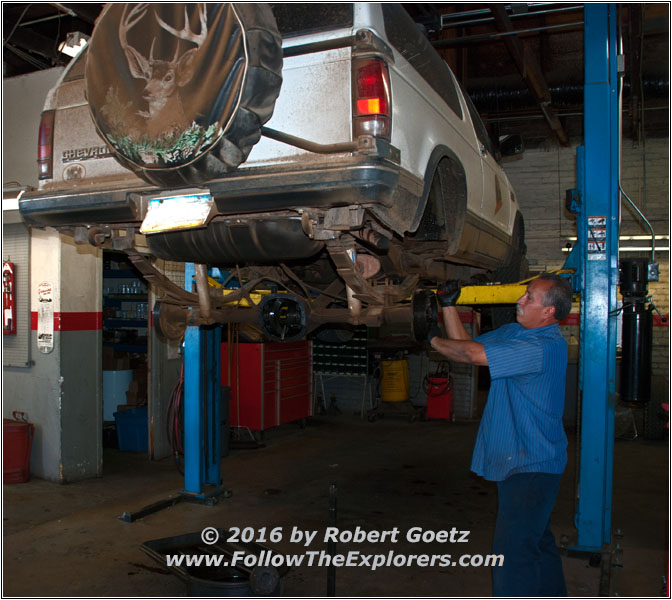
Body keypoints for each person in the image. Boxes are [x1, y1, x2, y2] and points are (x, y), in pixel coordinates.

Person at [428, 274, 573, 597]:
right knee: (536, 540)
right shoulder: (516, 333)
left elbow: (469, 356)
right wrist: (449, 306)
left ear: (549, 312)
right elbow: (467, 346)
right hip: (527, 461)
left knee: (511, 556)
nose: (520, 301)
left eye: (530, 298)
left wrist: (431, 340)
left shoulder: (541, 347)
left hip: (531, 465)